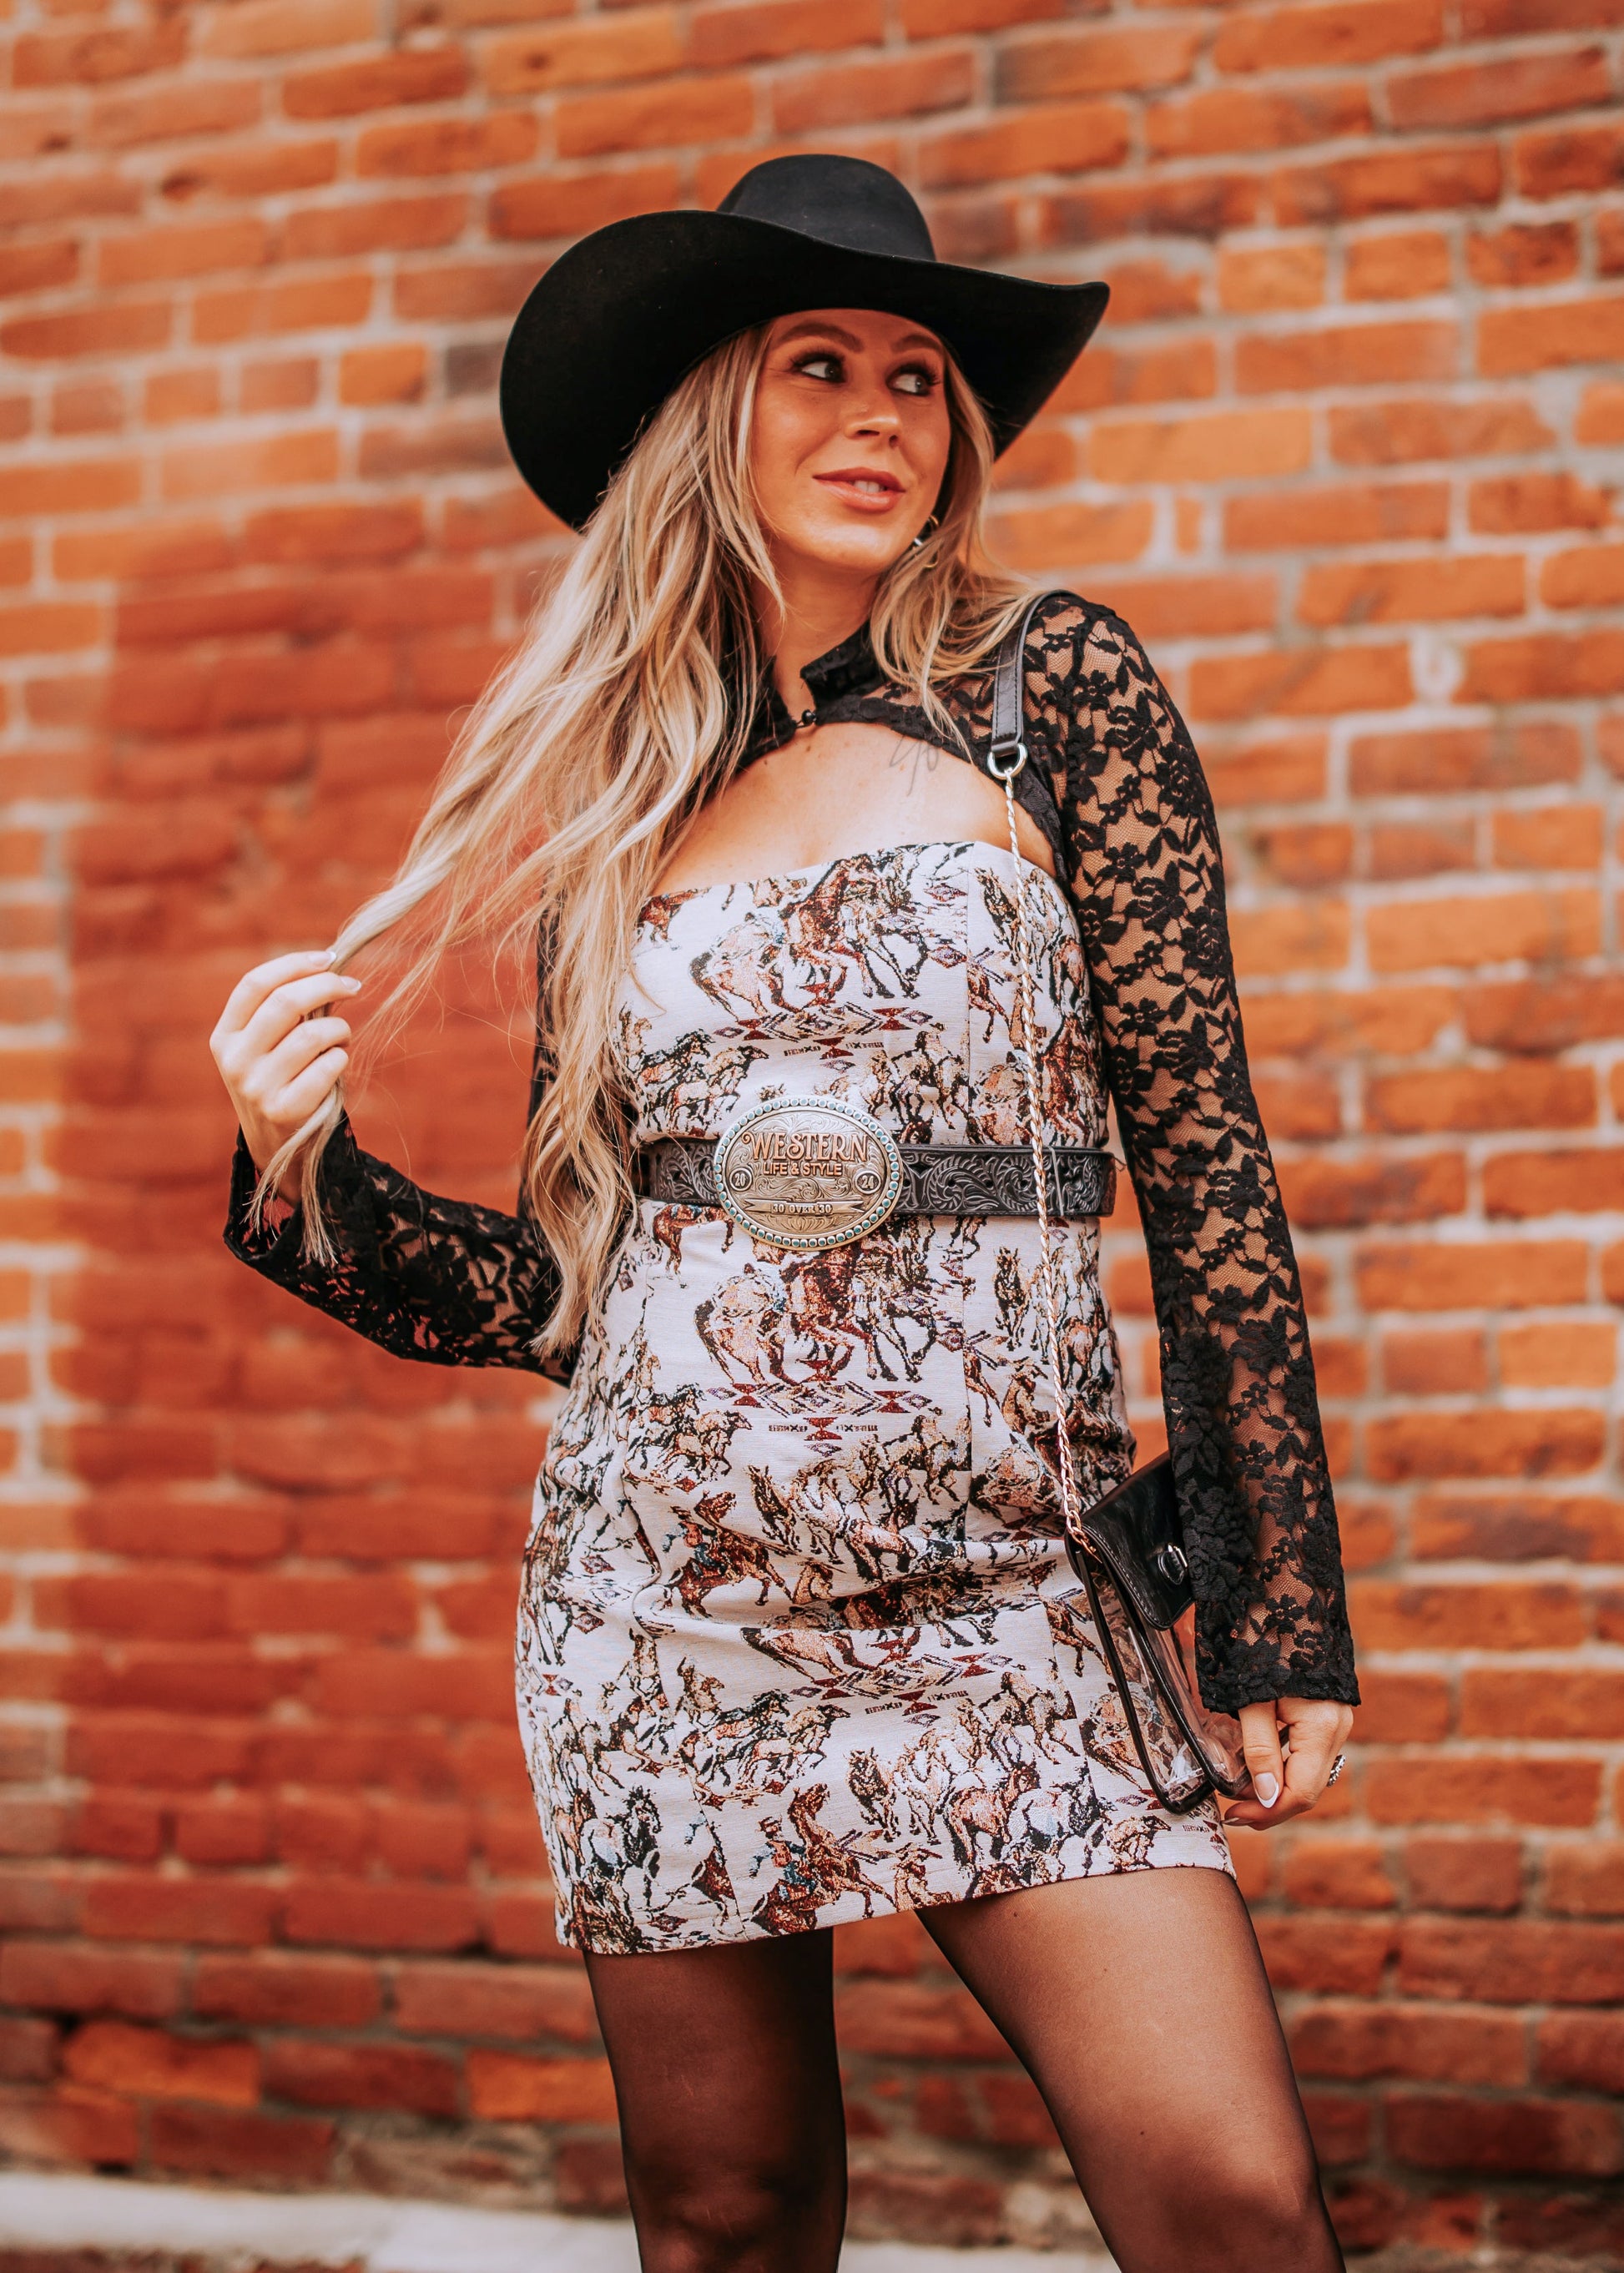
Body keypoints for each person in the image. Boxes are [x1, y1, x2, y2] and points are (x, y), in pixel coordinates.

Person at [211, 155, 1358, 2273]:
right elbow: (576, 1289)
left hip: (1005, 1585)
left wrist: (1276, 1599)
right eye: (816, 364)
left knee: (1228, 2196)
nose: (879, 417)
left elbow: (1204, 1159)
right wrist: (312, 1172)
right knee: (728, 2214)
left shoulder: (1049, 685)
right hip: (667, 1598)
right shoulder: (623, 797)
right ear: (704, 416)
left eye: (917, 377)